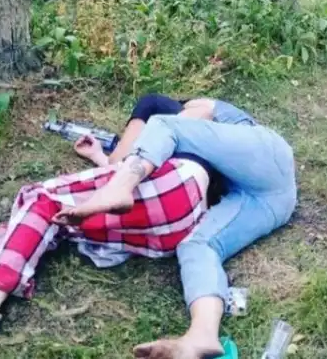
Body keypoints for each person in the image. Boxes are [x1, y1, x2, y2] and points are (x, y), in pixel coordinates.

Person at [54, 95, 297, 359]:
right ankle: (202, 336)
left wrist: (121, 163)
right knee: (196, 246)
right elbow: (131, 161)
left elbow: (180, 123)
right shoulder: (178, 152)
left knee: (163, 125)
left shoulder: (186, 112)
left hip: (267, 157)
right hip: (272, 204)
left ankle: (119, 187)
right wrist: (100, 157)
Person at [0, 144, 212, 332]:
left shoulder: (173, 113)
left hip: (178, 178)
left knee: (44, 199)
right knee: (57, 222)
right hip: (185, 222)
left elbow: (136, 157)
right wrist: (100, 157)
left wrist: (115, 155)